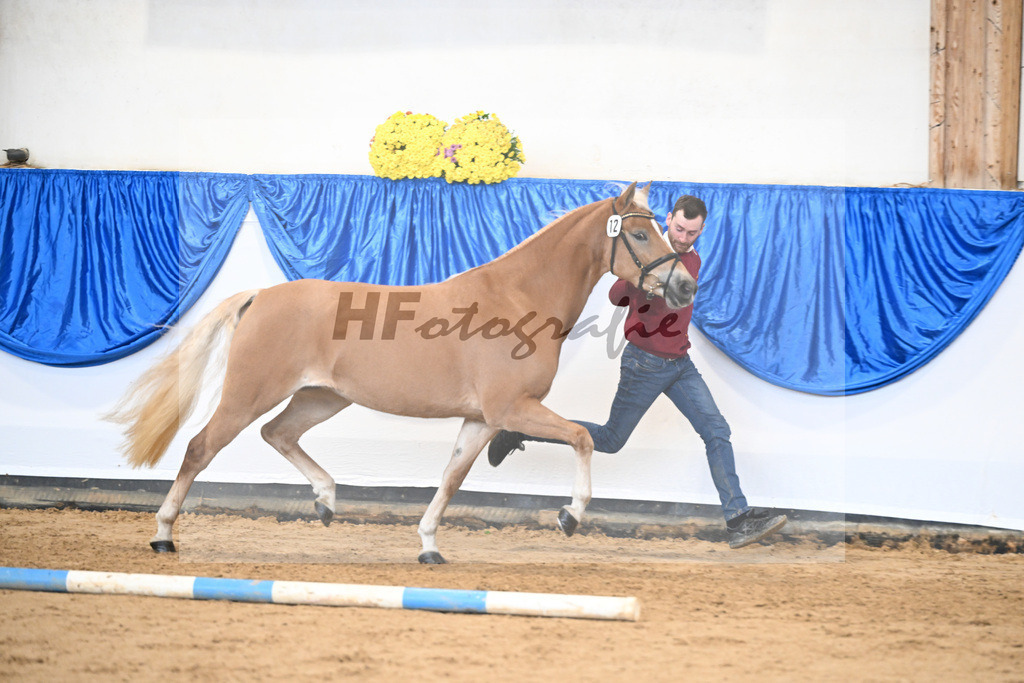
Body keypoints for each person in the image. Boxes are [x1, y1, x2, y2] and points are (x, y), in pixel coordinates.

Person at [488, 195, 787, 549]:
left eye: (691, 232)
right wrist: (643, 272)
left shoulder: (692, 260)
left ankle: (738, 520)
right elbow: (616, 295)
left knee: (716, 431)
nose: (683, 237)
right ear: (669, 221)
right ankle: (520, 431)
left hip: (680, 364)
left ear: (701, 230)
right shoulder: (648, 255)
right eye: (678, 229)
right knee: (612, 439)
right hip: (644, 363)